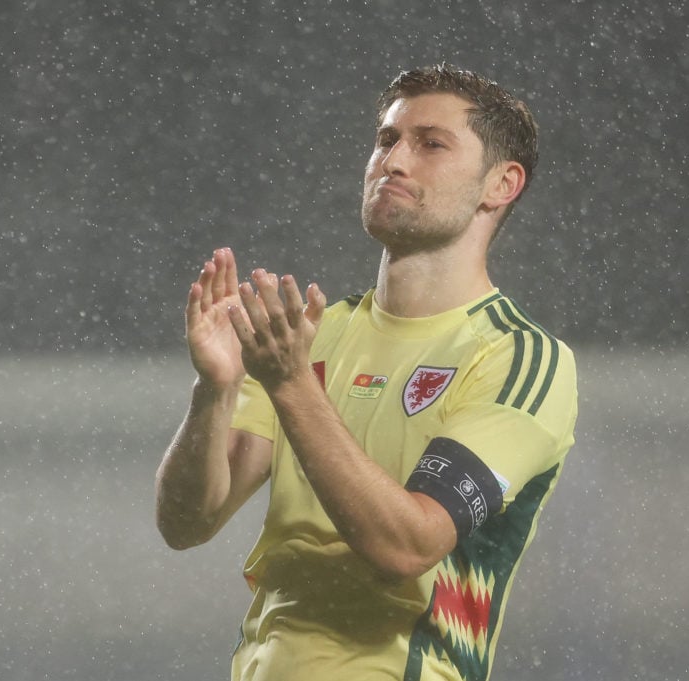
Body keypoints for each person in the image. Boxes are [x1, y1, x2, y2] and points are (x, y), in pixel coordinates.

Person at [155, 64, 578, 681]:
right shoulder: (310, 336)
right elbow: (186, 522)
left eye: (431, 143)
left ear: (500, 184)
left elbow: (408, 544)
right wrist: (214, 390)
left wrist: (294, 385)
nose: (394, 160)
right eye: (386, 140)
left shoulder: (518, 359)